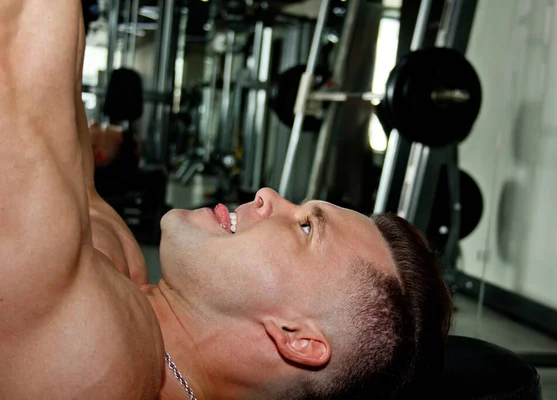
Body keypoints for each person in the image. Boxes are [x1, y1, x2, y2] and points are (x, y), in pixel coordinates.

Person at [0, 2, 452, 399]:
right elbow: (42, 102)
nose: (268, 194)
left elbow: (17, 53)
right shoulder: (128, 277)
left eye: (306, 227)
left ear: (297, 337)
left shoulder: (102, 365)